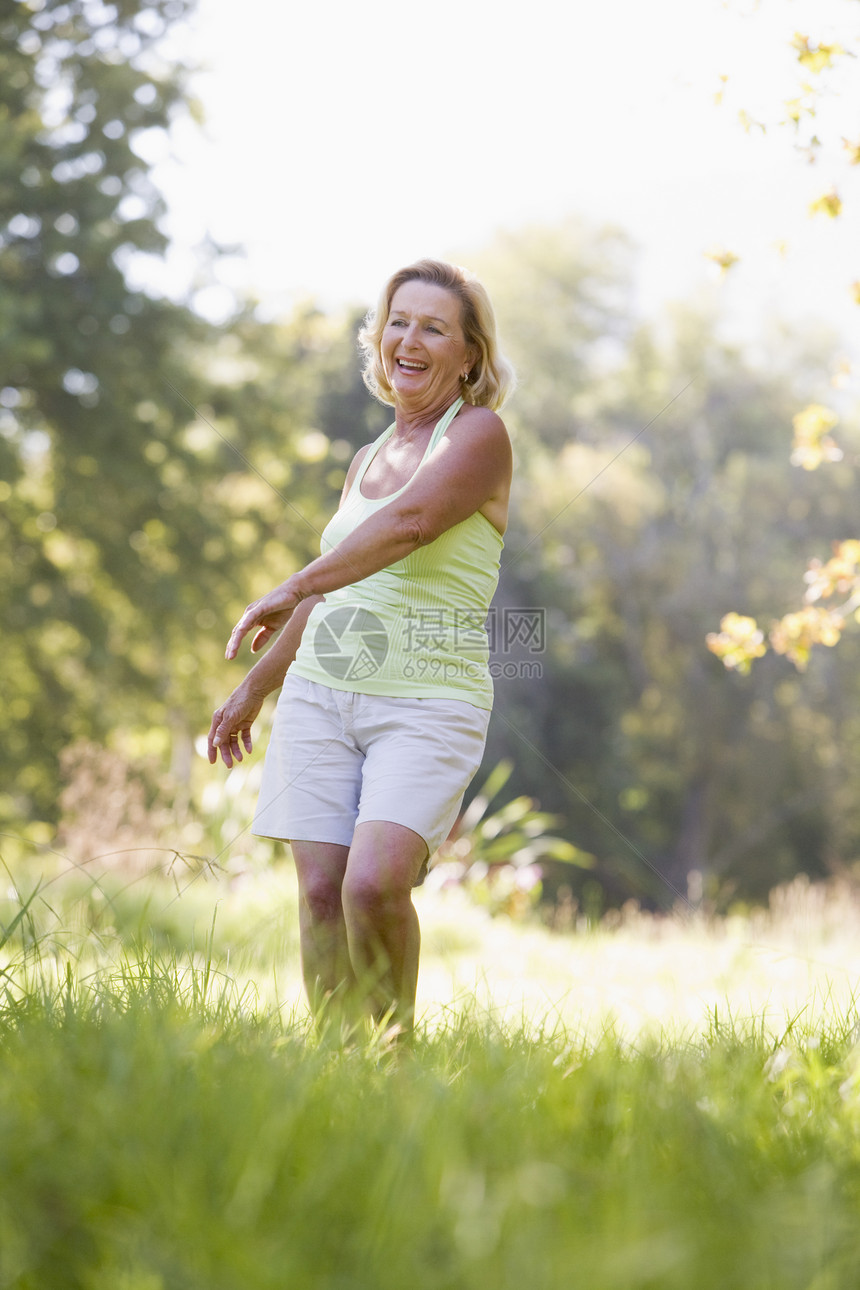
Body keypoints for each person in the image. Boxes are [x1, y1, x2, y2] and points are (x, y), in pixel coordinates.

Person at [207, 258, 515, 1035]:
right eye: (397, 322)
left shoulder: (478, 436)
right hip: (321, 696)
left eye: (434, 327)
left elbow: (409, 527)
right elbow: (333, 594)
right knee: (318, 893)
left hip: (426, 701)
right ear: (379, 339)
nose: (408, 338)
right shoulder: (367, 459)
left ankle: (391, 1063)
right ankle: (336, 1071)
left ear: (470, 355)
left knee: (373, 886)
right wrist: (254, 689)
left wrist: (286, 585)